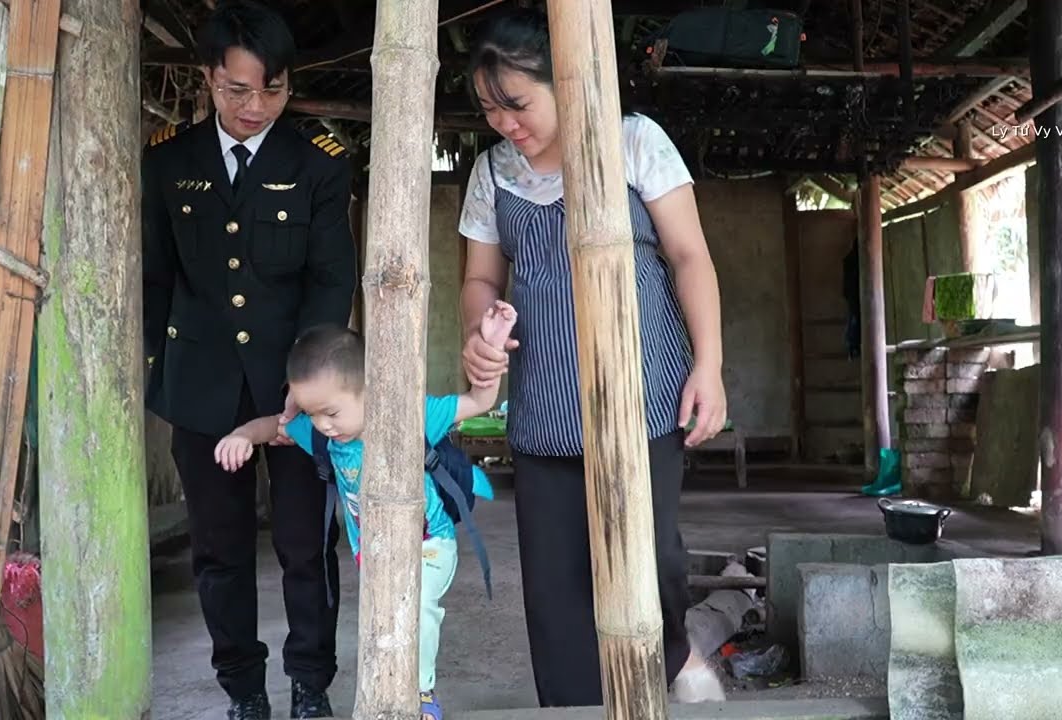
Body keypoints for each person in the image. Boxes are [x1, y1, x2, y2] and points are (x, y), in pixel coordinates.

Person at [456, 8, 729, 708]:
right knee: (554, 583)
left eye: (517, 104)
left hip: (645, 389)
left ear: (565, 81)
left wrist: (710, 366)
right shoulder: (492, 173)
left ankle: (672, 656)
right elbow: (480, 280)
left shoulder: (635, 142)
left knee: (654, 557)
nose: (505, 124)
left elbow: (690, 256)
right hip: (545, 403)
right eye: (490, 110)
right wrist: (481, 331)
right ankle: (573, 707)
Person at [140, 2, 357, 717]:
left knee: (305, 547)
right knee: (219, 554)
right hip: (201, 391)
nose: (255, 106)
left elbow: (330, 281)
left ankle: (309, 685)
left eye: (273, 90)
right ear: (208, 79)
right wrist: (155, 376)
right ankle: (243, 692)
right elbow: (155, 280)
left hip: (298, 394)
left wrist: (311, 386)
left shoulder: (317, 167)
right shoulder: (170, 163)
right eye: (238, 90)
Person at [212, 301, 518, 720]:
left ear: (368, 389)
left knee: (420, 605)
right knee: (383, 629)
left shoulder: (413, 414)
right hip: (373, 557)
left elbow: (478, 401)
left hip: (430, 544)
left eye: (331, 412)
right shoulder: (324, 435)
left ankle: (423, 693)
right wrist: (242, 436)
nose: (322, 424)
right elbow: (273, 426)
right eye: (312, 413)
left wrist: (491, 346)